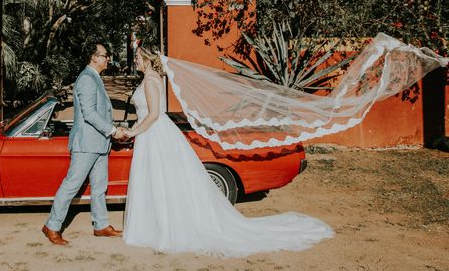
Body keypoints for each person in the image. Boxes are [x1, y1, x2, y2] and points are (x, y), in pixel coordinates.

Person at [122, 45, 334, 257]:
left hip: (153, 134)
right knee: (160, 180)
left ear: (149, 59)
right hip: (155, 134)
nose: (136, 60)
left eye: (139, 57)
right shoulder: (153, 79)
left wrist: (131, 132)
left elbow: (152, 116)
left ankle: (162, 229)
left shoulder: (150, 81)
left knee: (158, 180)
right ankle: (160, 225)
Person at [42, 41, 128, 245]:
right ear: (94, 57)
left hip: (100, 143)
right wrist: (113, 130)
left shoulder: (94, 77)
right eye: (104, 55)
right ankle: (52, 226)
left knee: (99, 187)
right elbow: (89, 113)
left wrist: (113, 130)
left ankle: (101, 225)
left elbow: (99, 111)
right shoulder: (87, 79)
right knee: (71, 185)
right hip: (87, 143)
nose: (108, 58)